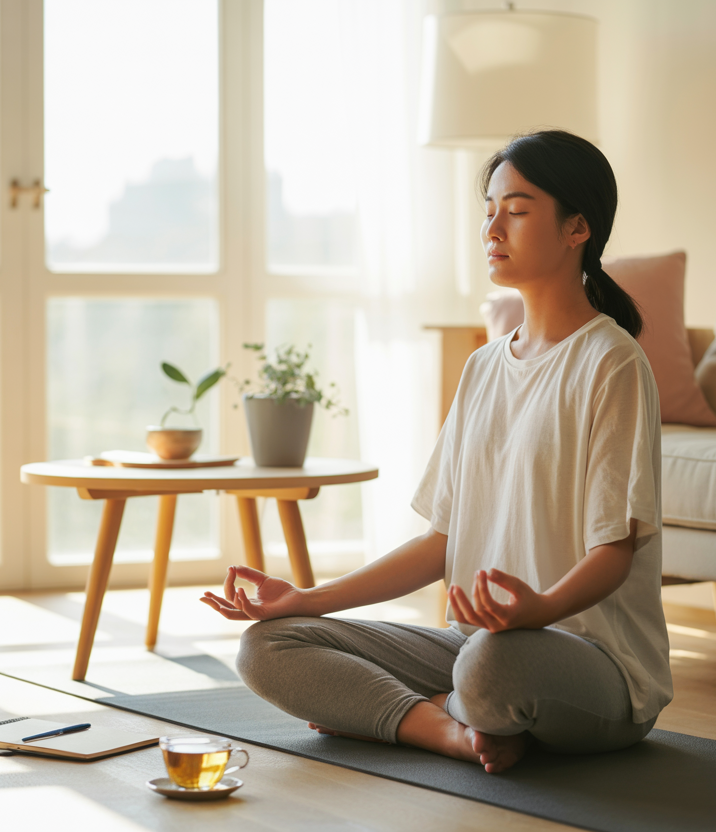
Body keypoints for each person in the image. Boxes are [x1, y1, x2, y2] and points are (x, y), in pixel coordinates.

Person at [200, 129, 672, 774]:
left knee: (489, 664)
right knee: (268, 646)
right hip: (476, 644)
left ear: (577, 228)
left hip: (591, 665)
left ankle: (420, 709)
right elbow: (440, 543)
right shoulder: (482, 368)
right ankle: (446, 730)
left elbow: (613, 553)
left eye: (518, 209)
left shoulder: (611, 362)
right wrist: (305, 599)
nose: (493, 228)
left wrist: (536, 609)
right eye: (488, 211)